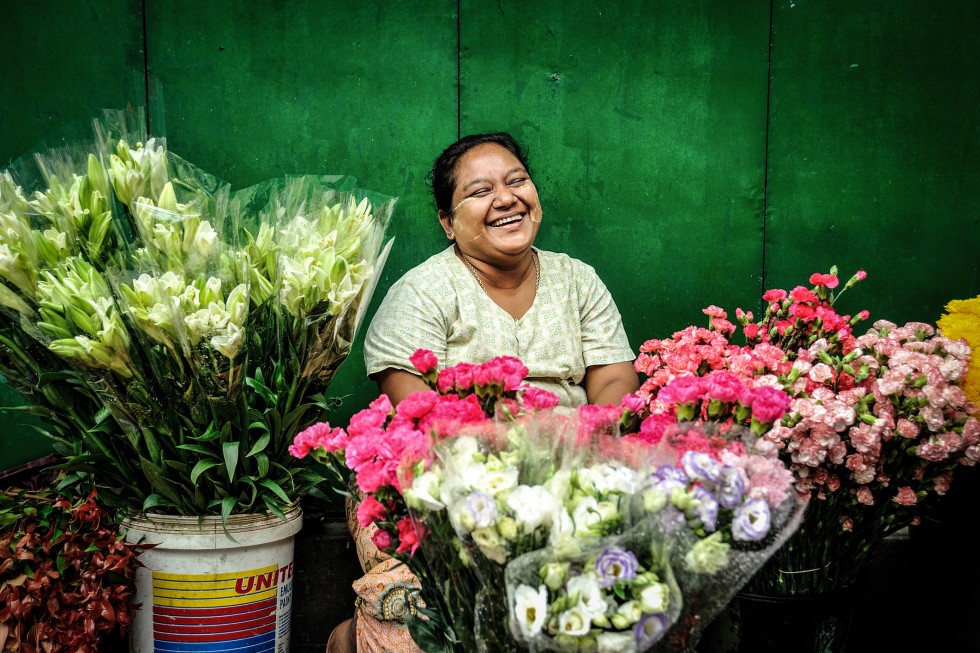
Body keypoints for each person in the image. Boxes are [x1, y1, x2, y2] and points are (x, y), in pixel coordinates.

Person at [326, 132, 639, 653]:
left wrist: (583, 450)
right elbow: (414, 406)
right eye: (480, 191)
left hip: (570, 469)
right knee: (446, 617)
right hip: (442, 477)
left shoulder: (576, 280)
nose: (506, 198)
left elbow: (612, 377)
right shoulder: (423, 291)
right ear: (448, 223)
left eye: (517, 181)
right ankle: (355, 639)